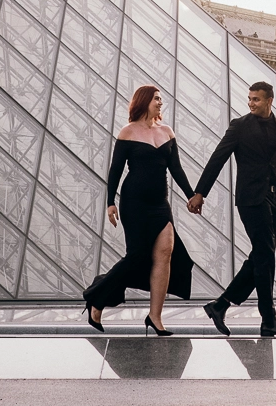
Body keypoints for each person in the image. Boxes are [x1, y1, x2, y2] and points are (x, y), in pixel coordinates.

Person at [187, 80, 276, 338]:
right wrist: (199, 193)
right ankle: (268, 319)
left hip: (275, 201)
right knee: (265, 254)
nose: (250, 103)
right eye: (249, 99)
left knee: (261, 256)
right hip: (251, 199)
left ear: (269, 100)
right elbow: (218, 157)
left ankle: (220, 305)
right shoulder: (240, 126)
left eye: (256, 99)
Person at [83, 85, 196, 336]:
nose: (160, 103)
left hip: (160, 203)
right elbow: (115, 170)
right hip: (134, 203)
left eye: (161, 99)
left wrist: (192, 195)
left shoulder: (166, 132)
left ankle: (155, 317)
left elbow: (176, 169)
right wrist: (110, 202)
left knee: (165, 252)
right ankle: (97, 297)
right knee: (136, 257)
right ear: (144, 101)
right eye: (156, 99)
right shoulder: (128, 132)